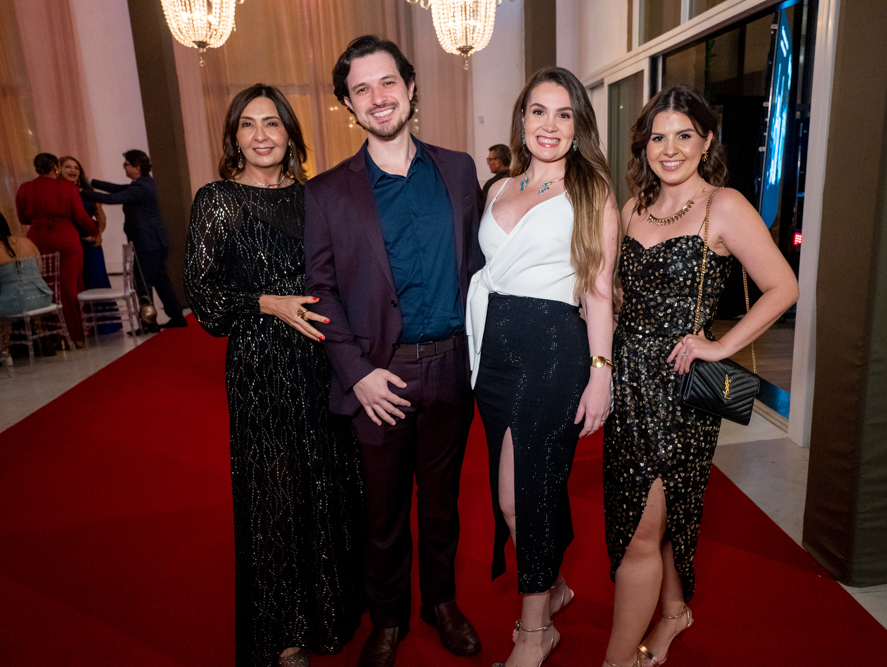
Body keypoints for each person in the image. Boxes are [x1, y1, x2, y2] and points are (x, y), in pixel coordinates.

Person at [601, 86, 799, 667]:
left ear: (706, 140)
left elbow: (783, 287)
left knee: (643, 528)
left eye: (684, 135)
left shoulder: (724, 206)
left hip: (681, 394)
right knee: (648, 518)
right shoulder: (634, 205)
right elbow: (619, 294)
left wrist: (719, 346)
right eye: (658, 137)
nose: (670, 148)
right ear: (644, 146)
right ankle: (672, 613)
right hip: (628, 386)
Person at [305, 35, 484, 667]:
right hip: (381, 377)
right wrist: (357, 376)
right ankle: (387, 619)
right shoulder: (327, 193)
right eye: (361, 90)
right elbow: (320, 291)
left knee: (442, 501)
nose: (377, 98)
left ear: (410, 88)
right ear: (348, 107)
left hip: (453, 369)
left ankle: (440, 602)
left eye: (387, 83)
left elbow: (483, 263)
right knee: (382, 513)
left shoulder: (460, 170)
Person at [184, 84, 365, 667]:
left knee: (330, 483)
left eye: (272, 123)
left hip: (323, 361)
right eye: (247, 124)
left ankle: (330, 613)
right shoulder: (218, 200)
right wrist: (268, 302)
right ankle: (282, 632)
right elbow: (205, 298)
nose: (261, 135)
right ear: (234, 136)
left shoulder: (317, 198)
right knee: (273, 493)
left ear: (291, 133)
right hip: (261, 367)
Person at [465, 66, 617, 667]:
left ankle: (535, 633)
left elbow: (599, 290)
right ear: (521, 120)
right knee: (512, 499)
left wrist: (600, 372)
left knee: (523, 493)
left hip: (553, 350)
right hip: (493, 351)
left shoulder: (592, 192)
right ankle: (552, 587)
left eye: (563, 114)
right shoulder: (497, 187)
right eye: (537, 112)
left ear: (578, 126)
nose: (548, 125)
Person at [82, 149, 187, 330]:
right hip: (156, 240)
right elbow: (117, 188)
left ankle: (149, 323)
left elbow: (112, 198)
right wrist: (91, 182)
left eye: (126, 165)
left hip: (146, 242)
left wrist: (81, 192)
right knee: (160, 279)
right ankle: (177, 316)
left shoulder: (140, 187)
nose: (124, 168)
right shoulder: (145, 183)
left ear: (136, 167)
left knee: (142, 282)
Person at [15, 152, 98, 344]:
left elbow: (23, 218)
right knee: (69, 288)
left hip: (37, 240)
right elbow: (80, 215)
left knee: (46, 286)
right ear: (56, 168)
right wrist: (95, 231)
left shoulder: (24, 188)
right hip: (65, 238)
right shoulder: (67, 187)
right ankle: (75, 336)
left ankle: (53, 338)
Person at [59, 156, 121, 334]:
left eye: (76, 168)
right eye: (68, 167)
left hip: (91, 243)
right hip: (70, 242)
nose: (72, 170)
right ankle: (83, 325)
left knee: (97, 278)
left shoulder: (86, 190)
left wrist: (97, 233)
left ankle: (106, 324)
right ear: (59, 170)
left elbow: (99, 214)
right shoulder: (60, 191)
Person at [0, 210, 53, 357]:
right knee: (23, 297)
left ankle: (5, 352)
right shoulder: (26, 241)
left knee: (4, 310)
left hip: (16, 303)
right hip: (42, 298)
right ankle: (43, 341)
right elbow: (40, 271)